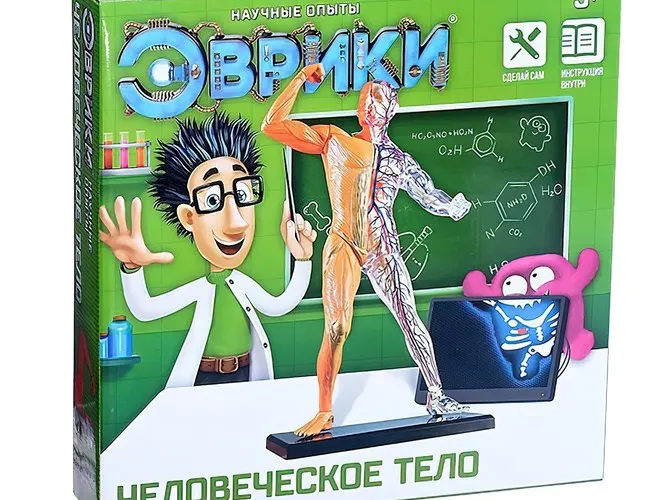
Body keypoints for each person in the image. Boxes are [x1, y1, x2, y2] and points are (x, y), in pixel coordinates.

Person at [262, 64, 472, 436]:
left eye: (378, 98)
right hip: (344, 241)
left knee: (409, 318)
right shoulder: (335, 140)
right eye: (366, 98)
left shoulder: (400, 161)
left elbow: (428, 195)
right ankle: (324, 411)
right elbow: (273, 126)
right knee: (337, 327)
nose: (370, 104)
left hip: (382, 247)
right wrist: (299, 79)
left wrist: (452, 207)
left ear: (392, 109)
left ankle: (437, 395)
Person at [99, 112, 317, 386]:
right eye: (213, 199)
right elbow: (145, 310)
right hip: (203, 379)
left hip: (246, 375)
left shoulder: (242, 283)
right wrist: (131, 267)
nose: (236, 222)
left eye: (242, 195)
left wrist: (303, 259)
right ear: (188, 217)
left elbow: (279, 306)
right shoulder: (200, 289)